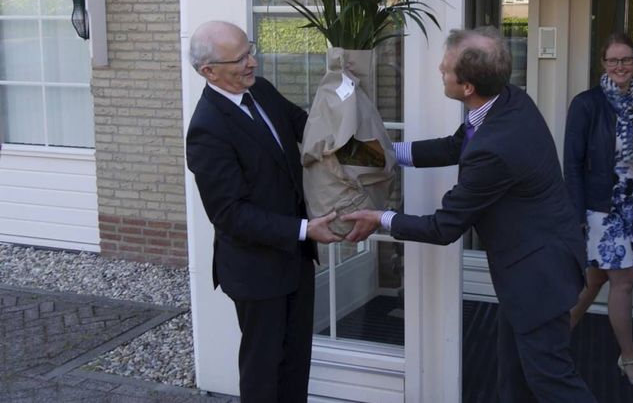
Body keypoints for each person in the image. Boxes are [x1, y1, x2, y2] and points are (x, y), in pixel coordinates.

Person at [341, 27, 595, 403]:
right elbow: (453, 147)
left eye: (445, 70)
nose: (440, 72)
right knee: (514, 378)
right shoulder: (508, 100)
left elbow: (443, 227)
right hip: (527, 270)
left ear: (466, 87)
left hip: (539, 277)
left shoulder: (496, 148)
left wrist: (380, 218)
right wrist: (376, 154)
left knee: (552, 382)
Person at [185, 20, 342, 403]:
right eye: (241, 58)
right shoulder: (207, 129)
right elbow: (231, 215)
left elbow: (307, 128)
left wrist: (356, 132)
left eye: (250, 50)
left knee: (295, 363)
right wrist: (306, 230)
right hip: (256, 270)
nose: (253, 62)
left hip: (295, 260)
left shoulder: (262, 91)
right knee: (263, 369)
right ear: (209, 71)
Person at [563, 32, 633, 389]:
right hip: (599, 208)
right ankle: (630, 358)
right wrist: (576, 213)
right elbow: (573, 163)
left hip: (626, 205)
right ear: (603, 64)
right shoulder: (587, 104)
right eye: (613, 60)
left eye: (626, 60)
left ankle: (553, 341)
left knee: (595, 279)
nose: (620, 67)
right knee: (623, 280)